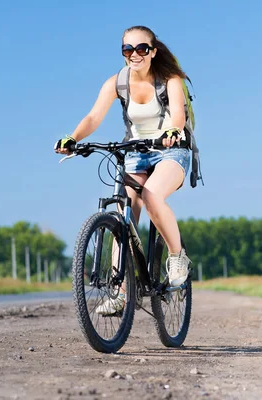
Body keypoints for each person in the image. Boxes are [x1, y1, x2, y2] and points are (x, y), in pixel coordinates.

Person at [54, 25, 191, 315]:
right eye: (127, 50)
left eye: (142, 49)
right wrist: (73, 138)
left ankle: (178, 257)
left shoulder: (170, 80)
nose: (134, 55)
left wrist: (173, 131)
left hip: (171, 151)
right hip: (135, 153)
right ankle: (121, 291)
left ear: (153, 52)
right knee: (121, 215)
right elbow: (93, 116)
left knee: (153, 195)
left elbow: (177, 114)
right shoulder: (117, 83)